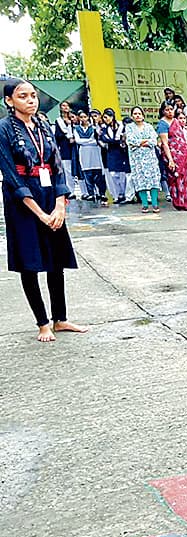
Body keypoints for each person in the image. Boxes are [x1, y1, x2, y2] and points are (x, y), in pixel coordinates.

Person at [0, 79, 87, 342]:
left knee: (55, 260)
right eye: (23, 96)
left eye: (33, 95)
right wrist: (39, 213)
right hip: (23, 201)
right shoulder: (4, 129)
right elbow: (10, 175)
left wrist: (60, 205)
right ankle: (42, 323)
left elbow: (57, 164)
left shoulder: (43, 126)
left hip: (49, 193)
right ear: (9, 101)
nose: (30, 100)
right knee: (30, 263)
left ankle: (60, 319)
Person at [156, 102, 187, 210]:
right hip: (172, 155)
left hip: (184, 153)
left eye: (171, 109)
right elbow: (165, 144)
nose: (169, 112)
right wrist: (170, 160)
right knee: (177, 178)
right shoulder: (162, 124)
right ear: (163, 111)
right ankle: (180, 202)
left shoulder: (176, 121)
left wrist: (186, 145)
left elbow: (179, 138)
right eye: (167, 110)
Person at [125, 106, 163, 213]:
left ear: (143, 115)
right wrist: (144, 142)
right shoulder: (129, 127)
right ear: (132, 116)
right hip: (137, 159)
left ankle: (155, 203)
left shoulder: (149, 126)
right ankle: (145, 204)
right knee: (140, 179)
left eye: (139, 113)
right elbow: (131, 141)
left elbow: (153, 141)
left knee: (153, 180)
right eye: (135, 114)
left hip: (150, 158)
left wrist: (140, 142)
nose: (137, 116)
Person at [74, 109, 107, 204]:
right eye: (81, 117)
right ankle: (91, 193)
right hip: (84, 153)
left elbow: (96, 140)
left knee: (97, 173)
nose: (83, 119)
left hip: (95, 152)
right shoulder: (76, 128)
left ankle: (101, 193)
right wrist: (89, 141)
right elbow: (78, 140)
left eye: (85, 117)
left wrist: (86, 142)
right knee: (87, 173)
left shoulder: (93, 128)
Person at [100, 108, 131, 203]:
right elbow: (104, 139)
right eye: (104, 117)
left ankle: (125, 194)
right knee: (113, 174)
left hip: (122, 153)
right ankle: (118, 194)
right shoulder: (104, 128)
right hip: (111, 153)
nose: (106, 119)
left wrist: (114, 141)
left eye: (107, 117)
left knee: (123, 175)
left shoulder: (122, 126)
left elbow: (125, 138)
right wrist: (117, 141)